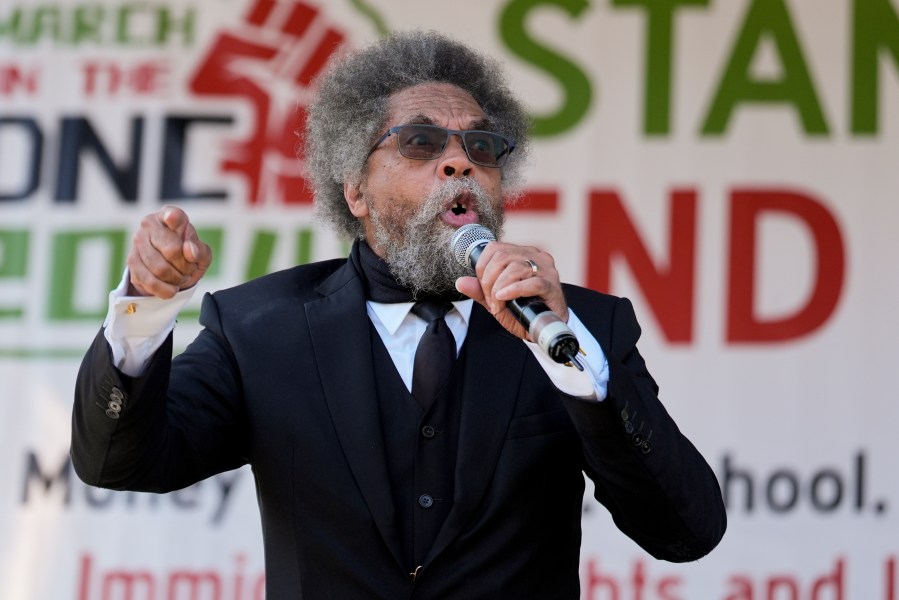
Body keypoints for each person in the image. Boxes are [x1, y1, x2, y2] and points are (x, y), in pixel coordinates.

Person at [72, 30, 726, 598]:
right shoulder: (260, 329)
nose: (458, 161)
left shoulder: (581, 326)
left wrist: (577, 367)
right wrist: (146, 309)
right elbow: (120, 463)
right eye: (419, 142)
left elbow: (686, 531)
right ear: (353, 187)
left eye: (481, 146)